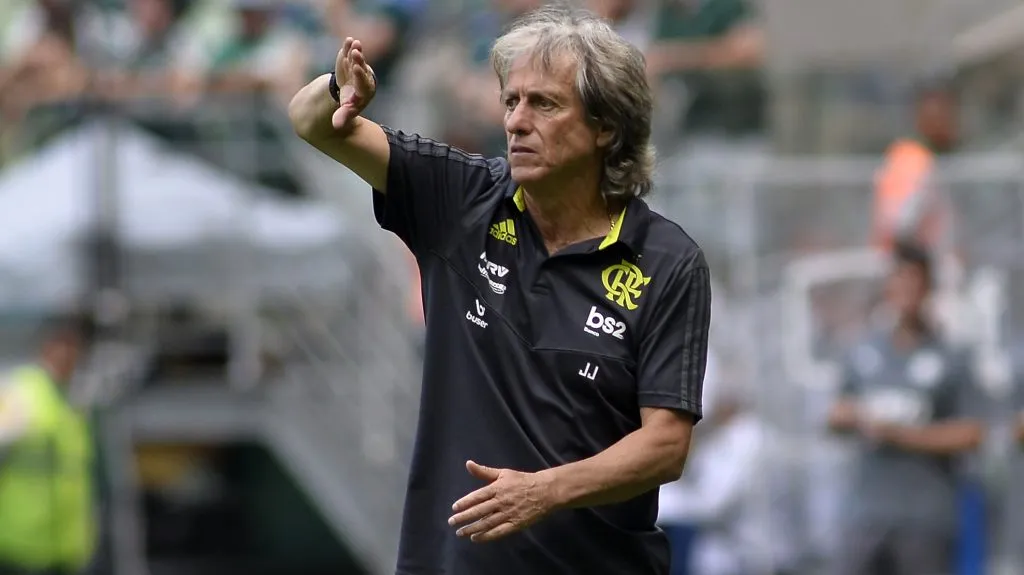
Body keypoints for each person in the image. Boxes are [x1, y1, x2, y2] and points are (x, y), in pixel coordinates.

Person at [289, 6, 711, 574]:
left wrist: (545, 490)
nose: (516, 121)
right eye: (511, 101)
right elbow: (311, 121)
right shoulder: (458, 199)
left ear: (606, 126)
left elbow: (664, 447)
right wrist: (341, 87)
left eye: (545, 103)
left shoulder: (668, 262)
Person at [827, 241, 984, 575]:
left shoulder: (953, 357)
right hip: (865, 515)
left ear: (929, 288)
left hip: (925, 519)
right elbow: (835, 413)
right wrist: (848, 417)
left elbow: (971, 433)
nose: (906, 290)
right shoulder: (863, 350)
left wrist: (898, 434)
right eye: (899, 279)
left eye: (915, 280)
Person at [0, 316, 97, 575]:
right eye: (60, 344)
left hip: (66, 548)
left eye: (73, 346)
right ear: (43, 347)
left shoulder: (77, 397)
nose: (67, 354)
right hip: (20, 546)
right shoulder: (21, 392)